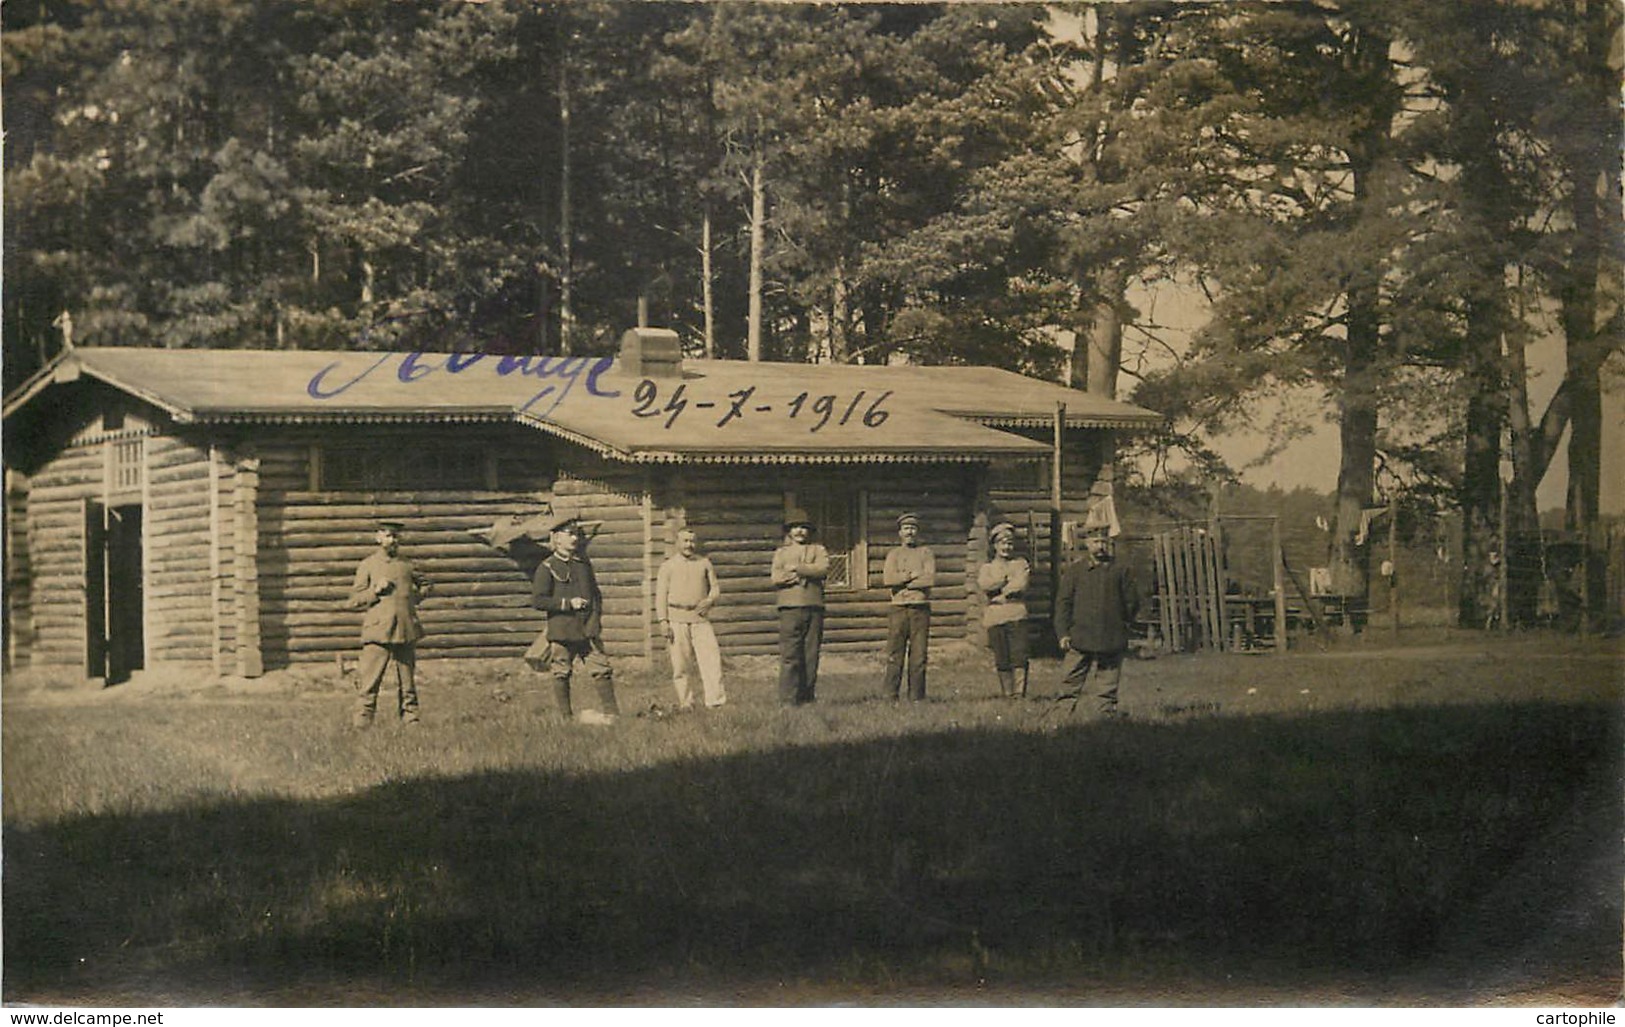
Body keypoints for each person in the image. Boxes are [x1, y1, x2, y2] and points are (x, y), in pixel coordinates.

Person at [530, 516, 619, 725]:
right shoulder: (547, 567)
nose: (574, 538)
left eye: (576, 534)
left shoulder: (583, 564)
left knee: (602, 669)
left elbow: (596, 595)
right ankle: (566, 718)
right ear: (557, 538)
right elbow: (538, 600)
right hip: (562, 631)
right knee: (561, 673)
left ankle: (613, 715)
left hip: (588, 630)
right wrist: (568, 604)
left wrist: (595, 621)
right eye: (569, 534)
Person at [347, 519, 430, 728]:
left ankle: (411, 719)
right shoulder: (368, 565)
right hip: (378, 630)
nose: (392, 540)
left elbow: (428, 584)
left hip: (405, 628)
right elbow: (354, 600)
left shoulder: (407, 564)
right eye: (387, 535)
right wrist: (375, 590)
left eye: (395, 536)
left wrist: (414, 598)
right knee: (369, 680)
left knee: (407, 680)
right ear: (378, 538)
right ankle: (362, 723)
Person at [1054, 523, 1139, 718]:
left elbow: (1131, 602)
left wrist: (1122, 624)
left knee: (1108, 683)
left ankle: (1105, 716)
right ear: (1086, 543)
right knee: (1070, 680)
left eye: (1104, 541)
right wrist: (1063, 633)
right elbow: (1063, 604)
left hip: (1110, 635)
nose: (1100, 545)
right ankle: (1061, 716)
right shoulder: (1075, 572)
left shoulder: (1120, 570)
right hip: (1080, 636)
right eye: (1095, 541)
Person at [656, 527, 726, 710]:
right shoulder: (668, 566)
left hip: (700, 619)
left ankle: (715, 701)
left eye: (692, 541)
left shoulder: (704, 563)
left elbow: (716, 589)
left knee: (711, 660)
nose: (689, 545)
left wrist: (710, 600)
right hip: (676, 619)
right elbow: (660, 596)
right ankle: (686, 702)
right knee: (680, 664)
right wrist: (663, 621)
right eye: (685, 541)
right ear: (677, 543)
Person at [772, 508, 829, 705]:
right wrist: (805, 573)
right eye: (796, 527)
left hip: (814, 606)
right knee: (790, 654)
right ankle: (788, 698)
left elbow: (822, 570)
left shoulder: (819, 549)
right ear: (789, 531)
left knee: (810, 654)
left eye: (804, 528)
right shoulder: (781, 553)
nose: (800, 532)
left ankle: (807, 697)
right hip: (789, 607)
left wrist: (797, 569)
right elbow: (777, 577)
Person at [882, 512, 935, 701]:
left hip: (920, 607)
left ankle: (916, 696)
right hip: (898, 608)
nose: (909, 532)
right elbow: (888, 579)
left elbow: (929, 579)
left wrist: (903, 581)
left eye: (913, 528)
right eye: (906, 528)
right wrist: (911, 576)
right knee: (895, 653)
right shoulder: (893, 554)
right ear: (900, 532)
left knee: (919, 654)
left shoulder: (925, 553)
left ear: (917, 531)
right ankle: (890, 694)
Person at [978, 521, 1030, 698]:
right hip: (995, 617)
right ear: (995, 546)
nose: (1006, 547)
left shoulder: (1020, 563)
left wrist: (1002, 594)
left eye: (1009, 543)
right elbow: (985, 584)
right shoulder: (987, 568)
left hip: (1016, 614)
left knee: (1019, 655)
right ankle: (1007, 693)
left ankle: (1019, 694)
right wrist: (1004, 580)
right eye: (1002, 543)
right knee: (1002, 657)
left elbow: (1020, 584)